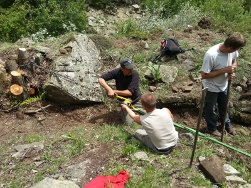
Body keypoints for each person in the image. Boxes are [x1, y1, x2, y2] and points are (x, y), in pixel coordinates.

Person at [201, 32, 246, 137]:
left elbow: (234, 62)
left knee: (224, 106)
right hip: (210, 87)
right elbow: (204, 75)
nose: (237, 51)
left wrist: (232, 71)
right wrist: (224, 70)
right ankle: (211, 128)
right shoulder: (211, 55)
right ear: (230, 47)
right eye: (236, 49)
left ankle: (226, 125)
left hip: (224, 85)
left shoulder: (232, 52)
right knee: (211, 109)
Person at [98, 58, 142, 125]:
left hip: (136, 99)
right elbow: (100, 79)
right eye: (128, 68)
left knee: (150, 115)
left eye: (131, 68)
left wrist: (114, 91)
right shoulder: (117, 72)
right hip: (124, 101)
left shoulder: (135, 74)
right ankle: (127, 110)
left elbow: (129, 92)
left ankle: (133, 110)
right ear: (122, 68)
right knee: (129, 123)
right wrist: (109, 89)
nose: (131, 70)